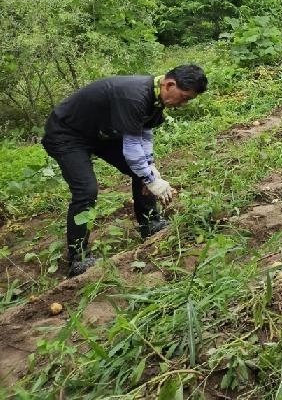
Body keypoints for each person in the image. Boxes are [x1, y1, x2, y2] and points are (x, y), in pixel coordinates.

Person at [41, 64, 208, 277]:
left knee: (143, 171)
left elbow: (144, 136)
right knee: (86, 190)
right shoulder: (134, 97)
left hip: (100, 132)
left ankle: (150, 223)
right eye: (183, 97)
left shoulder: (157, 98)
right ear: (170, 84)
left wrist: (151, 171)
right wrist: (150, 179)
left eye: (188, 100)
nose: (183, 103)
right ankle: (78, 258)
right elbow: (131, 149)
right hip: (67, 134)